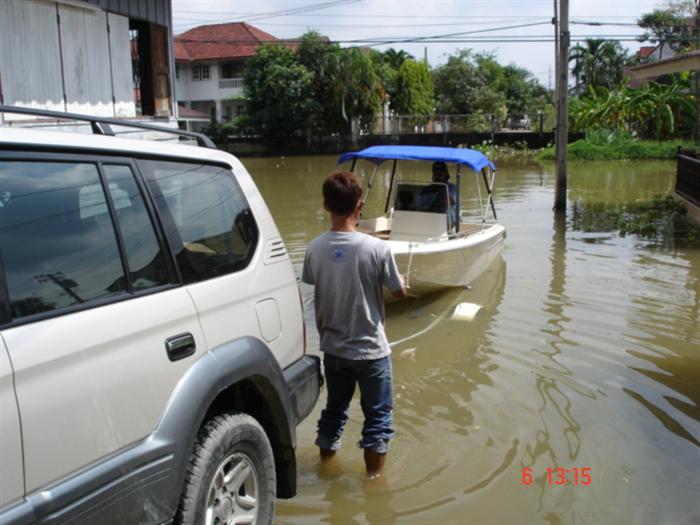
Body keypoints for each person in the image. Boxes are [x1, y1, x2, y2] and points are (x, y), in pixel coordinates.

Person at [302, 170, 406, 477]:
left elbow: (314, 282)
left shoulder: (314, 248)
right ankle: (374, 483)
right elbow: (398, 293)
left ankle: (326, 466)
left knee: (334, 411)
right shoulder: (377, 248)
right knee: (378, 419)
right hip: (371, 351)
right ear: (359, 206)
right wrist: (404, 284)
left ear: (326, 206)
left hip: (333, 350)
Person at [418, 161, 458, 228]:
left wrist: (442, 197)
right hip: (428, 221)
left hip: (448, 223)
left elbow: (451, 201)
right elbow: (419, 207)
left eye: (440, 173)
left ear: (446, 174)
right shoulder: (426, 189)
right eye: (435, 173)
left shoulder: (452, 188)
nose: (437, 176)